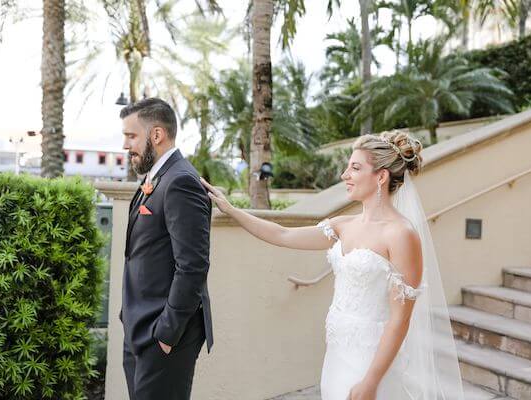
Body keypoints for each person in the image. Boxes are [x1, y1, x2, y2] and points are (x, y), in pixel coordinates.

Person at [201, 131, 465, 400]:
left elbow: (400, 319)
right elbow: (282, 234)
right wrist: (232, 210)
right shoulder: (343, 225)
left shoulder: (401, 234)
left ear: (381, 177)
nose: (344, 175)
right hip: (338, 354)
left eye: (355, 167)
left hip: (372, 362)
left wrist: (371, 382)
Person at [120, 98, 213, 400]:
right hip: (140, 327)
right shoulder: (157, 176)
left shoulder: (180, 180)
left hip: (164, 336)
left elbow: (193, 266)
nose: (125, 145)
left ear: (156, 135)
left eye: (131, 136)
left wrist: (166, 334)